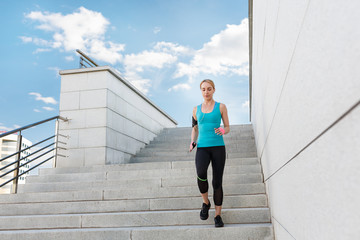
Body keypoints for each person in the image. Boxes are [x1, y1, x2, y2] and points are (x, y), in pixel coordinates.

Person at [189, 79, 230, 228]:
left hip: (218, 147)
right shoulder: (195, 109)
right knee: (201, 174)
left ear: (214, 90)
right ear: (201, 91)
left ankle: (218, 215)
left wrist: (223, 130)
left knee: (217, 182)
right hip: (202, 148)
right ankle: (206, 203)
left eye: (209, 89)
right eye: (203, 89)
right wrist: (192, 141)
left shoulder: (221, 107)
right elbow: (194, 128)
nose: (206, 92)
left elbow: (227, 126)